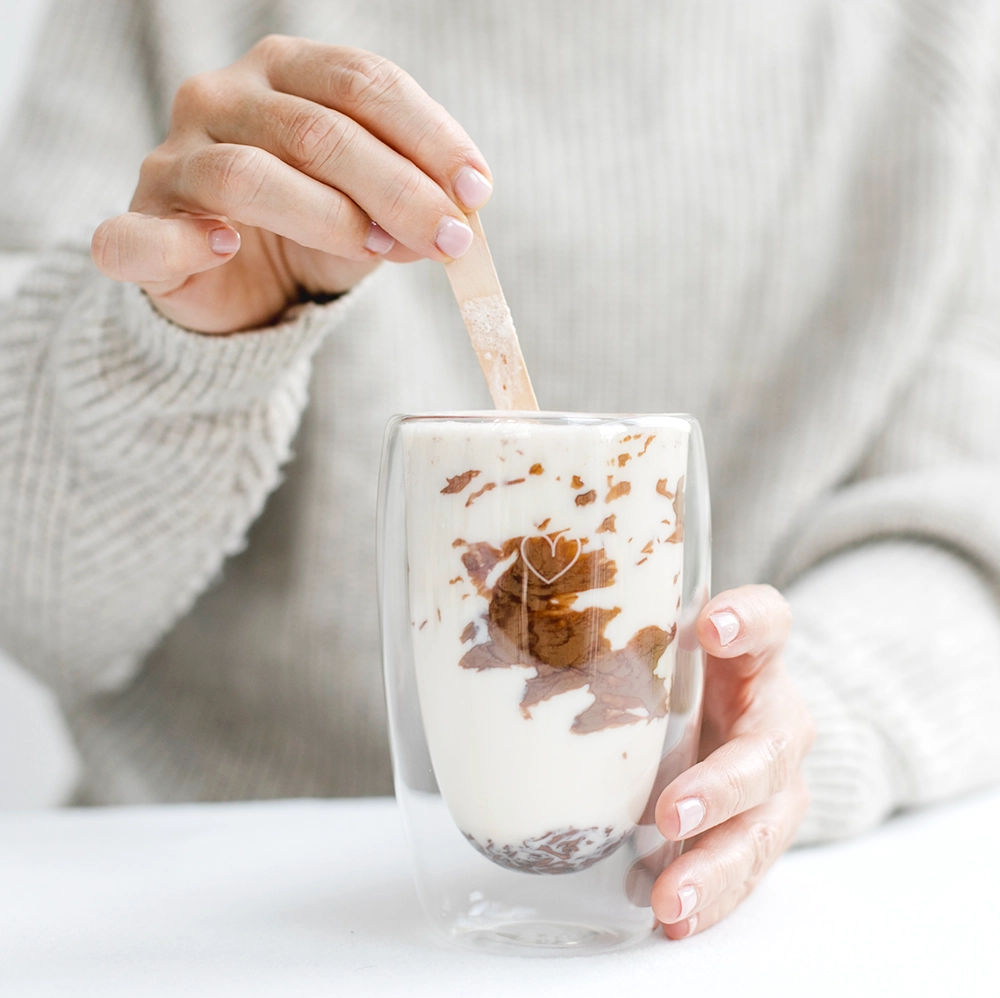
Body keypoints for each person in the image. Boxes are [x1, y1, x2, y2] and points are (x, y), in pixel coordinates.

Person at [1, 0, 998, 940]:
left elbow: (956, 529)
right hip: (188, 920)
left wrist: (788, 716)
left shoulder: (938, 37)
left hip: (734, 932)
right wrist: (172, 348)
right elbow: (33, 607)